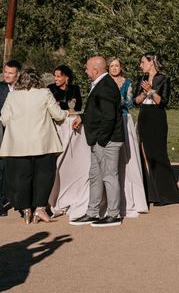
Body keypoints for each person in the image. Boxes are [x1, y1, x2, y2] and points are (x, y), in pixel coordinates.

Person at [0, 68, 67, 224]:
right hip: (42, 143)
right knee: (44, 176)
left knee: (21, 178)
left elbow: (4, 118)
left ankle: (26, 210)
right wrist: (66, 114)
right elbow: (58, 115)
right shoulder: (44, 93)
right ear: (38, 79)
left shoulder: (12, 95)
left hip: (18, 145)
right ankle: (40, 209)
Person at [70, 56, 125, 227]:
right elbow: (98, 111)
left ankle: (114, 214)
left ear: (96, 70)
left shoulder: (106, 86)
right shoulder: (103, 84)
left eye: (87, 68)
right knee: (95, 176)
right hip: (100, 140)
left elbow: (109, 118)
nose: (85, 71)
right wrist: (83, 117)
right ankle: (92, 212)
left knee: (109, 176)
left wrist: (101, 141)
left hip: (107, 140)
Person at [133, 53, 179, 207]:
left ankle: (166, 194)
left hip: (157, 117)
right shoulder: (141, 79)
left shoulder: (164, 78)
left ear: (151, 62)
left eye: (143, 62)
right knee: (145, 153)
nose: (141, 65)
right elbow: (136, 101)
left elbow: (163, 102)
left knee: (158, 153)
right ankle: (150, 193)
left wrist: (151, 91)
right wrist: (143, 92)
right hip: (144, 116)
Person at [107, 57, 148, 218]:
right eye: (111, 66)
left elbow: (130, 103)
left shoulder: (127, 82)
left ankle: (132, 194)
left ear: (121, 67)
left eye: (117, 65)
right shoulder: (104, 82)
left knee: (127, 156)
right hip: (109, 120)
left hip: (124, 119)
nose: (114, 68)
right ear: (108, 68)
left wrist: (120, 99)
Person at [0, 59, 21, 217]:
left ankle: (20, 201)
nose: (6, 75)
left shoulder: (23, 89)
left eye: (10, 73)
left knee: (20, 167)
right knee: (1, 167)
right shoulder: (0, 88)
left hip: (21, 133)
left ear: (18, 74)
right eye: (5, 72)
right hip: (2, 131)